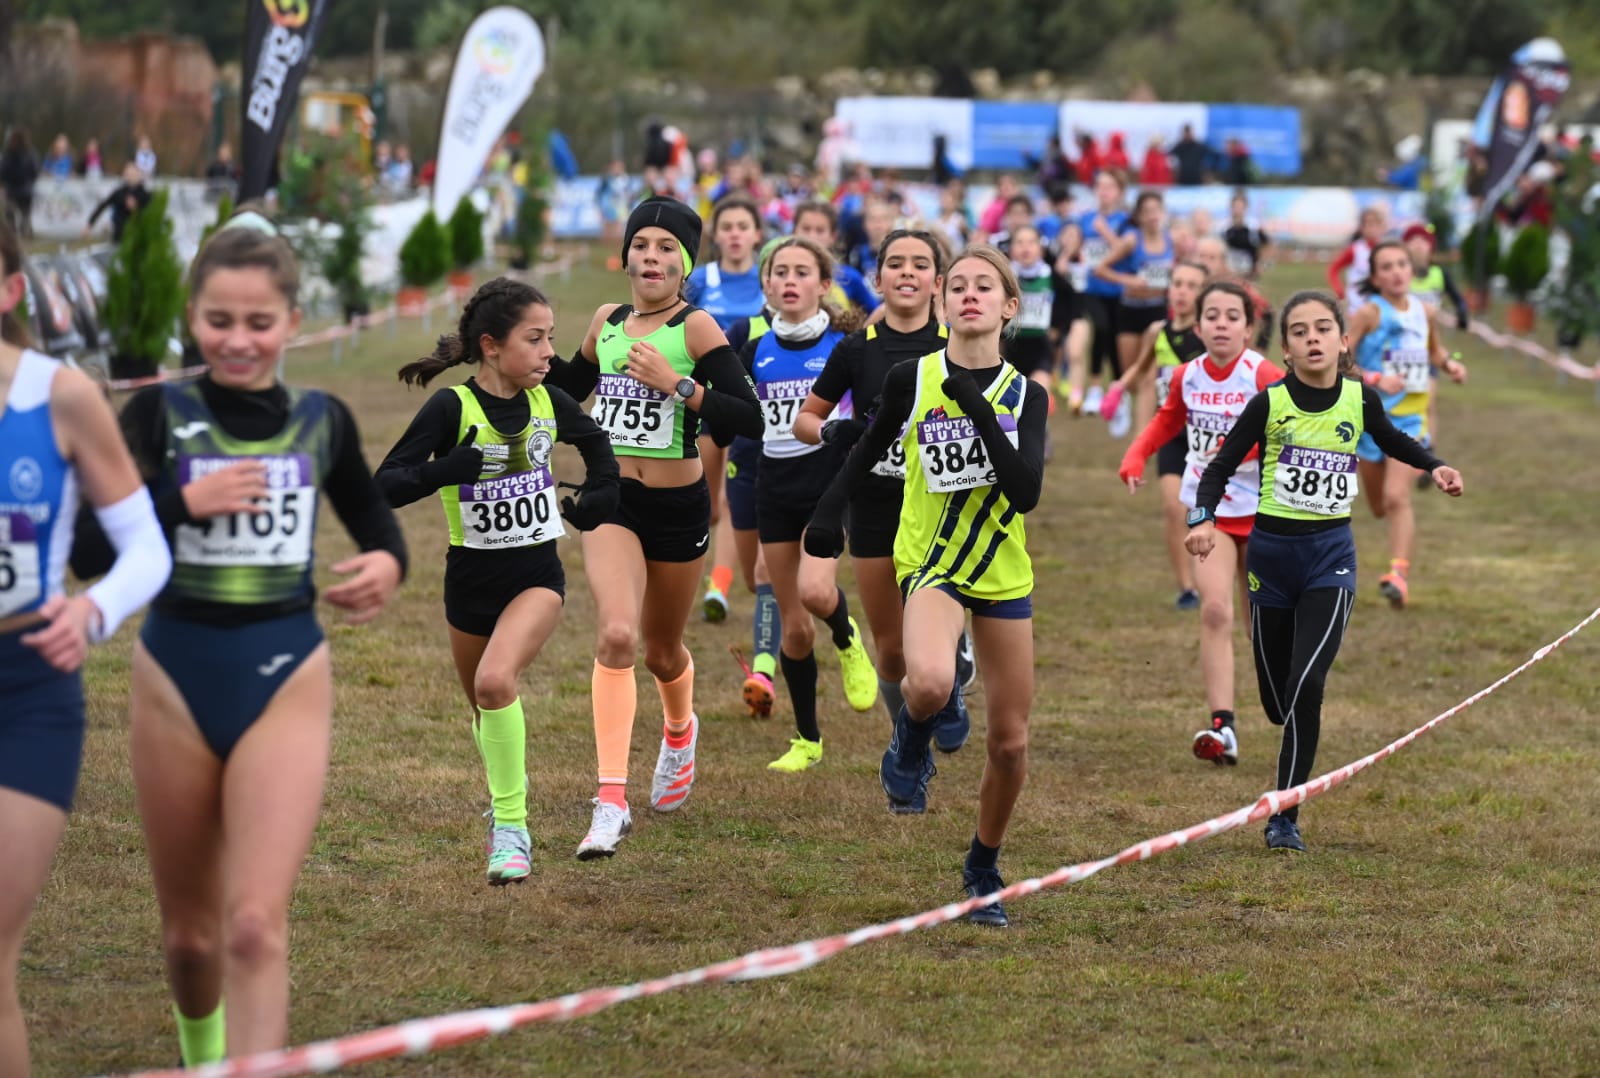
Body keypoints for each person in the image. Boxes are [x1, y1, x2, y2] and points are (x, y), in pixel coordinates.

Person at [96, 217, 406, 1065]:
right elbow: (88, 551)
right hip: (175, 674)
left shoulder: (323, 418)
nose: (239, 341)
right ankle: (204, 1052)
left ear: (293, 323)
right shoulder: (157, 412)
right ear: (192, 318)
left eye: (259, 323)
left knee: (254, 927)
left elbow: (375, 520)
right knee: (191, 941)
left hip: (284, 673)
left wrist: (386, 562)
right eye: (220, 322)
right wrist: (176, 504)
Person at [804, 245, 1048, 927]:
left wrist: (974, 405)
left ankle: (982, 867)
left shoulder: (1029, 395)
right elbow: (867, 446)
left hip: (1001, 571)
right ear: (945, 304)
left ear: (1008, 307)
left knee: (1010, 742)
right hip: (930, 561)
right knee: (930, 683)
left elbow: (1025, 492)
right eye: (959, 286)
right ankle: (910, 740)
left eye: (984, 287)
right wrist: (828, 517)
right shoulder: (914, 377)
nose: (969, 295)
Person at [1186, 290, 1463, 851]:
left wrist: (1435, 466)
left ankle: (1284, 815)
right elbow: (1217, 468)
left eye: (1322, 329)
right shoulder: (1269, 403)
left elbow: (1392, 441)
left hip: (1330, 558)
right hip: (1271, 558)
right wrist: (1202, 518)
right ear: (1285, 348)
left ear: (1343, 342)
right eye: (1299, 331)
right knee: (1276, 699)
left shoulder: (1360, 401)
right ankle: (1283, 731)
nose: (1312, 339)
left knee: (1307, 686)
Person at [376, 278, 620, 884]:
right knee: (486, 709)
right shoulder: (451, 409)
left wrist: (600, 495)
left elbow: (598, 446)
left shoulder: (550, 400)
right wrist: (445, 471)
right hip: (468, 583)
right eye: (534, 340)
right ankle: (504, 808)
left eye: (551, 339)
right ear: (491, 346)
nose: (547, 353)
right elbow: (384, 484)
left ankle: (511, 831)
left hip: (536, 574)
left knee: (493, 680)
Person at [0, 218, 170, 1077]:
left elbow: (147, 548)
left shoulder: (59, 395)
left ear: (11, 291)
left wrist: (92, 613)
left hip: (26, 690)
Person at [545, 196, 762, 858]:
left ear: (686, 264)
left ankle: (678, 730)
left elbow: (746, 417)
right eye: (642, 244)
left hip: (679, 509)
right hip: (611, 500)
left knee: (662, 651)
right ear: (626, 256)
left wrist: (680, 385)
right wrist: (516, 356)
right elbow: (562, 391)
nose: (652, 256)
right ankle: (610, 801)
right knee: (615, 635)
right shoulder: (605, 323)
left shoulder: (696, 329)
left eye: (668, 248)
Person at [797, 230, 965, 737]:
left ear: (938, 282)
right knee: (891, 651)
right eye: (896, 263)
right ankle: (909, 736)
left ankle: (952, 671)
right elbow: (804, 419)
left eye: (919, 264)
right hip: (873, 505)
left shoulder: (958, 345)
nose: (907, 272)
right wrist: (833, 430)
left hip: (942, 508)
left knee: (934, 631)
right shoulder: (855, 349)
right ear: (878, 278)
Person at [1119, 280, 1282, 765]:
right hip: (1207, 510)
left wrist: (1244, 450)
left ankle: (1288, 704)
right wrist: (1135, 454)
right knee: (1214, 610)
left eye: (1232, 316)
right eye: (1212, 316)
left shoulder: (1264, 375)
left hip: (1265, 511)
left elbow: (1287, 432)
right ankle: (1222, 727)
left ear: (1249, 329)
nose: (1221, 325)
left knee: (1264, 622)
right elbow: (1168, 421)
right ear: (1198, 325)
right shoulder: (1187, 375)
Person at [736, 237, 874, 771]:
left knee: (818, 592)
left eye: (802, 272)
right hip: (774, 484)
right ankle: (807, 740)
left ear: (824, 284)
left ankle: (846, 635)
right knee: (793, 627)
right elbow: (740, 416)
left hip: (829, 481)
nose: (790, 281)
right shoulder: (754, 348)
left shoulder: (848, 344)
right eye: (779, 272)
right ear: (766, 285)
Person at [1346, 241, 1467, 610]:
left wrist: (1450, 365)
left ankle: (1398, 574)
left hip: (1411, 421)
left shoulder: (1425, 312)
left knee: (1398, 497)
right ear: (1375, 276)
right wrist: (1374, 377)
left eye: (1401, 264)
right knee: (1380, 506)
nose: (1396, 272)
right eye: (1386, 266)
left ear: (1411, 270)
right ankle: (1397, 566)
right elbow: (1341, 361)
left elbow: (1435, 352)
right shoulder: (1368, 314)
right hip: (1369, 423)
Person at [1101, 260, 1209, 608]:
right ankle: (1187, 587)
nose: (1182, 291)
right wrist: (1119, 387)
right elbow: (1142, 367)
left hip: (1209, 437)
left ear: (1203, 293)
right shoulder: (1156, 331)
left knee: (1206, 511)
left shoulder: (1211, 333)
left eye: (1192, 285)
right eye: (1178, 283)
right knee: (1173, 508)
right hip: (1173, 434)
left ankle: (1212, 577)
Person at [1095, 190, 1174, 434]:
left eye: (1156, 211)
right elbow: (1100, 268)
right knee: (1133, 372)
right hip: (1130, 311)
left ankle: (1148, 427)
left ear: (1162, 213)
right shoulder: (1132, 240)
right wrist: (1128, 280)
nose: (1152, 216)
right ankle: (1126, 405)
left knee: (1152, 374)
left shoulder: (1170, 241)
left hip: (1158, 311)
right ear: (1139, 217)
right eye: (1147, 212)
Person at [1061, 170, 1129, 415]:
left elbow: (1127, 250)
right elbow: (1075, 244)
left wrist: (1106, 233)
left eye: (1109, 186)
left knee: (1115, 340)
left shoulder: (1126, 220)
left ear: (1119, 191)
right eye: (1100, 186)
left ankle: (1117, 392)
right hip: (1091, 287)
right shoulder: (1086, 218)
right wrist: (1065, 257)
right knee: (1100, 328)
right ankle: (1095, 387)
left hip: (1119, 289)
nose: (1104, 191)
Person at [792, 200, 880, 315]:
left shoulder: (848, 277)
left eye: (820, 231)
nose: (812, 237)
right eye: (806, 229)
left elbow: (878, 313)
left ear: (833, 236)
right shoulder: (782, 275)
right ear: (794, 232)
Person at [1328, 205, 1389, 314]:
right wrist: (1339, 291)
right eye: (1368, 225)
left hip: (1381, 305)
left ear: (1382, 227)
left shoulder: (1387, 250)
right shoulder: (1355, 250)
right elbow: (1333, 269)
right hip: (1357, 307)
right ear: (1361, 228)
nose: (1372, 229)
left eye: (1376, 224)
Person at [86, 163, 152, 244]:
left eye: (133, 174)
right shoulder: (119, 192)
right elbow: (103, 206)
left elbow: (150, 215)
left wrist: (137, 207)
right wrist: (90, 223)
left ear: (139, 175)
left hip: (137, 237)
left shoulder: (146, 195)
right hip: (119, 236)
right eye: (128, 174)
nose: (131, 177)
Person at [1222, 189, 1271, 278]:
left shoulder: (1253, 227)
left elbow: (1267, 245)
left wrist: (1262, 265)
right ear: (1231, 207)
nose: (1237, 210)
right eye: (1235, 206)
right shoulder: (1224, 228)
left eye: (1240, 207)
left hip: (1250, 274)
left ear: (1246, 208)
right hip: (1230, 273)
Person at [0, 131, 39, 239]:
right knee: (25, 216)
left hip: (12, 190)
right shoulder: (31, 153)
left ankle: (12, 236)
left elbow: (3, 171)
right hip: (26, 190)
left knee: (10, 215)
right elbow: (35, 170)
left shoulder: (8, 154)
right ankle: (25, 235)